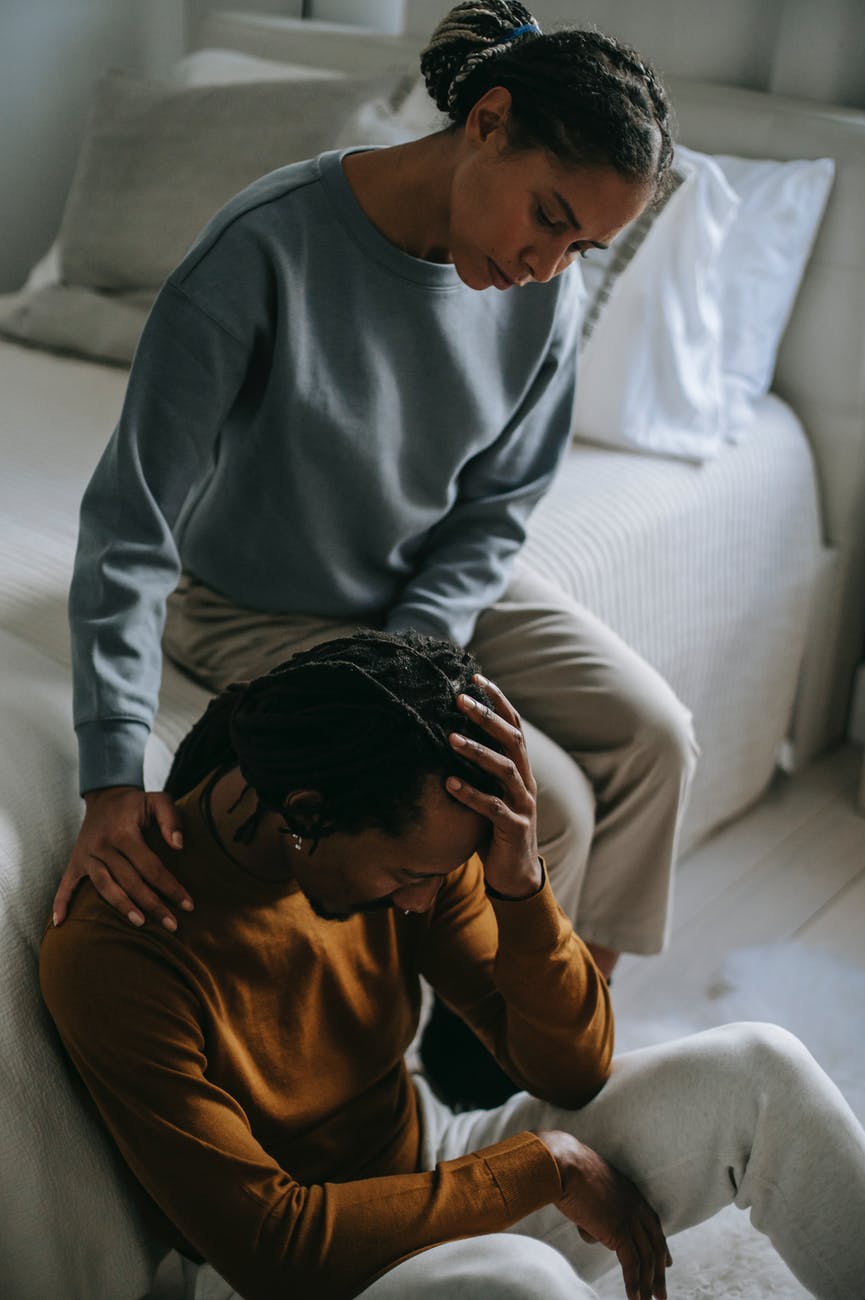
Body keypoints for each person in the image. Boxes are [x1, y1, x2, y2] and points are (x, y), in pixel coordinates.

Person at [56, 1, 697, 994]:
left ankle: (575, 1020)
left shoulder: (543, 292)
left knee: (659, 739)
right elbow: (130, 520)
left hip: (430, 585)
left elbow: (496, 507)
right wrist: (107, 773)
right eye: (551, 218)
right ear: (486, 121)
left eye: (582, 250)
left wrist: (419, 650)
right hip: (257, 604)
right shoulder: (263, 249)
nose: (548, 265)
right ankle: (470, 1064)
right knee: (551, 803)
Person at [41, 631, 865, 1300]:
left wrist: (521, 885)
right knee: (521, 1282)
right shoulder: (120, 950)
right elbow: (270, 1248)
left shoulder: (411, 842)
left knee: (761, 1068)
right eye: (407, 878)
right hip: (288, 1272)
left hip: (432, 1160)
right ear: (305, 816)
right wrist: (540, 1167)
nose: (419, 904)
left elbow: (574, 1071)